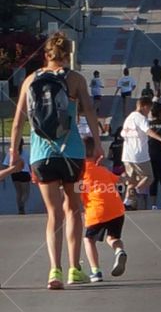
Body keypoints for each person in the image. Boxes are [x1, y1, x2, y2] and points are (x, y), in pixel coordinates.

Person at [9, 31, 104, 288]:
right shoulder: (75, 79)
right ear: (67, 54)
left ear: (46, 54)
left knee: (53, 214)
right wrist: (96, 143)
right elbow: (89, 114)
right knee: (73, 208)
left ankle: (55, 271)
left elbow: (18, 122)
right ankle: (75, 269)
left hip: (41, 155)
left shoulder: (30, 80)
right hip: (71, 152)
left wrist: (14, 152)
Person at [79, 136, 128, 282]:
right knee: (113, 238)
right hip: (117, 209)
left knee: (89, 239)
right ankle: (119, 251)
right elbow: (119, 181)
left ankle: (96, 271)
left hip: (96, 211)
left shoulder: (80, 173)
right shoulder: (103, 170)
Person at [122, 95, 161, 210]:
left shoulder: (129, 118)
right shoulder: (141, 118)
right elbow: (148, 131)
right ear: (144, 106)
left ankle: (127, 201)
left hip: (127, 155)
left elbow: (123, 134)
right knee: (149, 177)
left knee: (132, 180)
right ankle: (135, 192)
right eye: (149, 109)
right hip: (139, 155)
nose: (149, 112)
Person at [4, 137, 31, 214]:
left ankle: (20, 208)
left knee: (18, 192)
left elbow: (6, 164)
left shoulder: (11, 153)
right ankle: (22, 204)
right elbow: (29, 164)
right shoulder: (26, 153)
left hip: (14, 173)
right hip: (25, 172)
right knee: (26, 192)